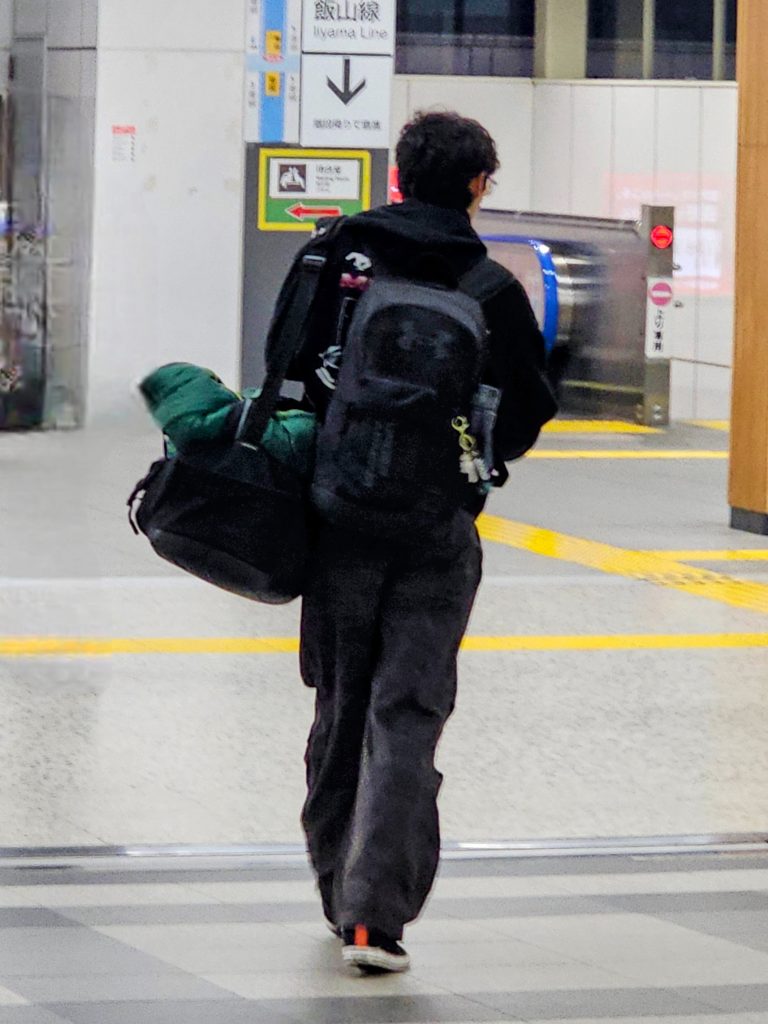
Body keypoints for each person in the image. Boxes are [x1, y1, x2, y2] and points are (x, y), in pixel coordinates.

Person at [283, 111, 557, 974]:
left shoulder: (333, 258)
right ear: (480, 184)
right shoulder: (491, 287)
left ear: (398, 175)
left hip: (338, 520)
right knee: (408, 715)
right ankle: (375, 917)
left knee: (340, 704)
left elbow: (282, 367)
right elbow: (523, 418)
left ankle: (337, 889)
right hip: (437, 532)